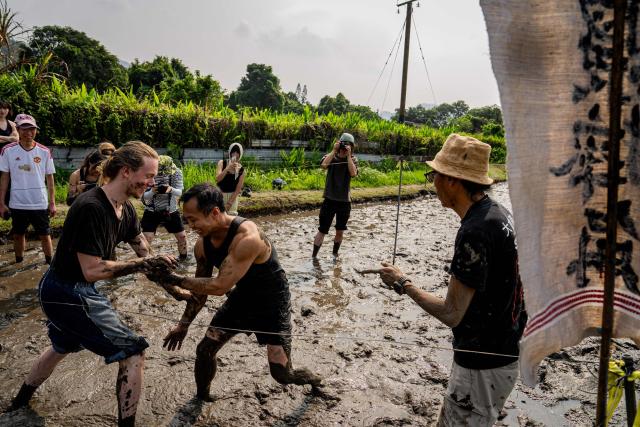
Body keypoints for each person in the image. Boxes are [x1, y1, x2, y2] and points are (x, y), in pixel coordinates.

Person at [7, 141, 187, 427]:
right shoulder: (91, 206)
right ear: (126, 171)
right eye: (149, 176)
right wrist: (141, 266)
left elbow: (145, 253)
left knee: (62, 344)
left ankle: (18, 402)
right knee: (132, 351)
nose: (152, 183)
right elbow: (92, 270)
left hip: (70, 290)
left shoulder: (125, 209)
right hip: (65, 290)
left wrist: (175, 288)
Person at [375, 134, 527, 426]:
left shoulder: (476, 231)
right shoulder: (500, 215)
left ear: (453, 181)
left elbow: (452, 313)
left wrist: (402, 282)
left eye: (435, 175)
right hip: (504, 353)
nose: (433, 183)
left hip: (481, 366)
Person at [148, 183, 322, 401]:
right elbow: (201, 288)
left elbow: (219, 287)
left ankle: (316, 381)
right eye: (187, 220)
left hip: (272, 301)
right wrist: (184, 325)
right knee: (204, 350)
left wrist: (172, 279)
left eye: (193, 219)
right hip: (242, 298)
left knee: (282, 373)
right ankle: (201, 399)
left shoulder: (248, 237)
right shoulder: (202, 245)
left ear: (214, 212)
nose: (190, 226)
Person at [0, 114, 56, 264]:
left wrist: (52, 202)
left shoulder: (44, 151)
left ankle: (50, 264)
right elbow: (5, 177)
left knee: (45, 235)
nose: (28, 132)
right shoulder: (8, 150)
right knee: (18, 234)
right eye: (24, 129)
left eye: (32, 129)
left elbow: (50, 179)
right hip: (17, 202)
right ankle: (19, 262)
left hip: (39, 202)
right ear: (17, 129)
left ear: (36, 130)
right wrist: (1, 202)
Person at [312, 132, 358, 258]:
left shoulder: (353, 159)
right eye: (344, 144)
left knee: (340, 231)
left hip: (344, 201)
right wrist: (334, 150)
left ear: (352, 147)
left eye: (348, 145)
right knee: (322, 230)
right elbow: (323, 165)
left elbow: (353, 173)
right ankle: (314, 257)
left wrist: (348, 156)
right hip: (329, 199)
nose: (345, 147)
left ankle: (334, 255)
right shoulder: (331, 156)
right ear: (339, 143)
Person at [141, 154, 187, 259]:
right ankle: (145, 262)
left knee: (182, 237)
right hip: (151, 210)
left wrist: (170, 189)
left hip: (171, 210)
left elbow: (179, 192)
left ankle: (183, 259)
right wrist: (152, 191)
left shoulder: (177, 172)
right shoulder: (148, 173)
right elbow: (144, 196)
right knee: (146, 239)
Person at [215, 142, 244, 215]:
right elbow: (218, 179)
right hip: (220, 196)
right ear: (230, 153)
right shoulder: (222, 163)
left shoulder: (241, 170)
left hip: (233, 198)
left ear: (240, 155)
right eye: (233, 151)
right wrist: (227, 168)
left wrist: (229, 203)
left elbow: (238, 189)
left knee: (231, 219)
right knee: (218, 219)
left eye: (237, 152)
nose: (235, 154)